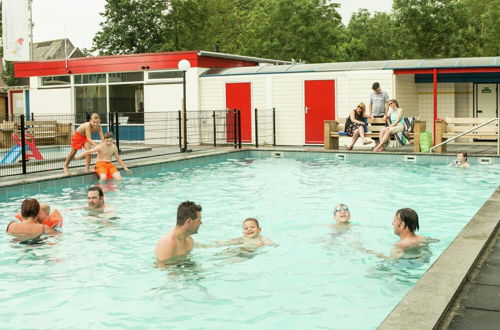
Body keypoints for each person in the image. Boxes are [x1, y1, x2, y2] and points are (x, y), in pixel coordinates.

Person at [155, 201, 203, 265]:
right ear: (188, 222)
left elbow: (197, 246)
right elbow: (162, 268)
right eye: (198, 220)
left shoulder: (188, 239)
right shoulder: (168, 243)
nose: (201, 223)